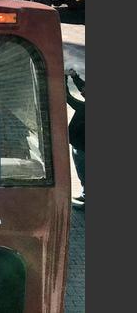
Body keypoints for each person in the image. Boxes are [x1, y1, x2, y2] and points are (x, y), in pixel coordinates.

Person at [66, 68, 86, 209]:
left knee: (84, 173)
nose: (82, 91)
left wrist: (63, 79)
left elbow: (67, 98)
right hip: (80, 145)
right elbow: (83, 87)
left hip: (83, 147)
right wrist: (74, 76)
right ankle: (85, 195)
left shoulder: (84, 107)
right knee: (83, 172)